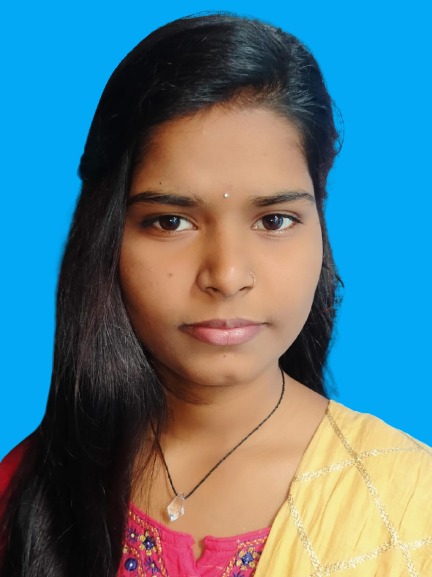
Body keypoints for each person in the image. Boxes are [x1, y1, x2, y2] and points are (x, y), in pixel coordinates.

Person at [0, 12, 431, 577]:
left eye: (274, 220)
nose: (226, 276)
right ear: (106, 237)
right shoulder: (31, 490)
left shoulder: (409, 505)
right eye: (171, 222)